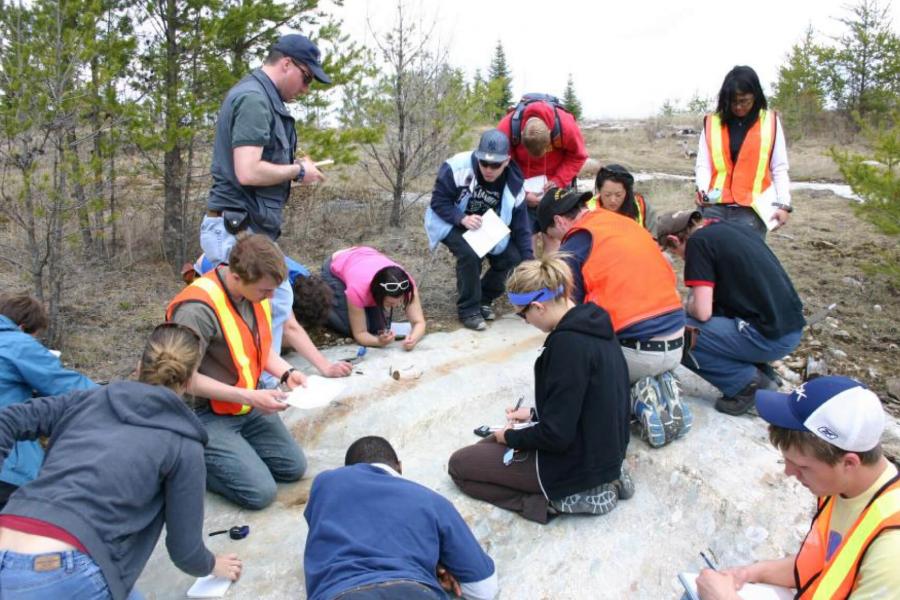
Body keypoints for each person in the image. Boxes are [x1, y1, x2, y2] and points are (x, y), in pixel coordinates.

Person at [0, 322, 242, 600]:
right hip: (68, 566)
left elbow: (8, 419)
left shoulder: (85, 400)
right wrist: (211, 565)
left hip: (11, 528)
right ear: (189, 383)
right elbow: (184, 550)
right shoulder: (183, 444)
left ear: (139, 366)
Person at [448, 256, 632, 523]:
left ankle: (553, 500)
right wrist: (534, 414)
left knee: (460, 465)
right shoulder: (595, 324)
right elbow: (589, 400)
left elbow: (556, 436)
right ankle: (604, 478)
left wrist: (510, 438)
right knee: (488, 443)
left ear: (537, 306)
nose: (525, 322)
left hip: (575, 462)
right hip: (604, 449)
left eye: (523, 314)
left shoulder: (567, 345)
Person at [200, 33, 330, 386]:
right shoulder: (256, 99)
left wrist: (293, 167)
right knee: (260, 305)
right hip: (236, 228)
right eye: (306, 78)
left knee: (272, 301)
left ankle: (262, 383)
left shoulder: (260, 97)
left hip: (246, 227)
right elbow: (248, 170)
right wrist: (298, 171)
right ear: (286, 64)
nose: (305, 88)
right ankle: (258, 387)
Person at [696, 376, 900, 600]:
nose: (789, 473)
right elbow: (827, 563)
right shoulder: (843, 488)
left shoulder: (892, 549)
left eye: (802, 466)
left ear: (849, 463)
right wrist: (753, 572)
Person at [537, 188, 690, 447]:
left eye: (553, 237)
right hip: (677, 342)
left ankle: (635, 400)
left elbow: (567, 317)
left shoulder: (575, 244)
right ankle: (658, 382)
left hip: (638, 354)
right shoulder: (625, 223)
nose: (558, 244)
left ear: (560, 222)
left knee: (568, 357)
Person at [167, 233, 307, 510]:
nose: (270, 297)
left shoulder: (256, 293)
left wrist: (287, 373)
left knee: (293, 468)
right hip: (200, 413)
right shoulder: (196, 309)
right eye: (265, 291)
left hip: (242, 403)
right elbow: (182, 378)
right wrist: (251, 397)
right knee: (260, 493)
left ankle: (234, 449)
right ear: (237, 277)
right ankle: (185, 458)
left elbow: (258, 346)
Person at [304, 436, 498, 600]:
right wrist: (433, 562)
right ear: (400, 467)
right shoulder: (430, 500)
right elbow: (484, 590)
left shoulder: (324, 485)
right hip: (411, 590)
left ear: (348, 469)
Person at [656, 209, 805, 416]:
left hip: (767, 337)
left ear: (674, 240)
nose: (680, 258)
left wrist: (687, 305)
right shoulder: (731, 228)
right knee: (707, 320)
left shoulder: (698, 243)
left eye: (675, 252)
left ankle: (747, 385)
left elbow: (702, 312)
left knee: (674, 331)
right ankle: (763, 372)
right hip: (789, 327)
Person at [425, 128, 533, 331]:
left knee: (512, 257)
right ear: (477, 156)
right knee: (470, 252)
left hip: (486, 224)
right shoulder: (456, 167)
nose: (489, 169)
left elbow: (521, 227)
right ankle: (468, 309)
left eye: (495, 165)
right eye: (484, 163)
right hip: (450, 219)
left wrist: (529, 263)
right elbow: (438, 202)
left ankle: (483, 297)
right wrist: (461, 218)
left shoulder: (515, 185)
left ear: (507, 161)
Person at [185, 253, 352, 378]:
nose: (269, 297)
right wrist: (325, 366)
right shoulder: (279, 289)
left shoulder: (301, 280)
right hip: (208, 266)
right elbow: (290, 327)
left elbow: (290, 325)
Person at [0, 294, 95, 509]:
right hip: (7, 466)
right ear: (23, 328)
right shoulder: (18, 344)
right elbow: (66, 385)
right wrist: (121, 393)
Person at [695, 65, 792, 237]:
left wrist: (783, 205)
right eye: (733, 102)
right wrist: (702, 191)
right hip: (714, 205)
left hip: (752, 209)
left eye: (744, 101)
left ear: (756, 96)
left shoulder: (771, 123)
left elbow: (779, 168)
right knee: (711, 258)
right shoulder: (711, 123)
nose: (738, 107)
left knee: (744, 261)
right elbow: (704, 165)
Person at [497, 95, 588, 251]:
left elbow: (578, 156)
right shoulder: (507, 127)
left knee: (554, 237)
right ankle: (530, 272)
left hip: (555, 186)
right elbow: (501, 166)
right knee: (526, 238)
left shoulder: (566, 125)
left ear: (550, 133)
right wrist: (522, 193)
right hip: (522, 185)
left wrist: (557, 181)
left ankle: (552, 273)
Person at [321, 246, 426, 350]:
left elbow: (419, 322)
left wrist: (413, 339)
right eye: (390, 303)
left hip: (364, 256)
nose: (396, 305)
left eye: (400, 300)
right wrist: (378, 342)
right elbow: (360, 334)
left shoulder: (406, 284)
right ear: (377, 294)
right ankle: (320, 305)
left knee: (377, 328)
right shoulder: (357, 289)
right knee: (349, 327)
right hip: (336, 265)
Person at [587, 164, 658, 237]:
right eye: (607, 195)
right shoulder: (587, 210)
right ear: (599, 191)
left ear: (626, 192)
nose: (613, 200)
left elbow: (654, 240)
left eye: (618, 195)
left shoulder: (642, 206)